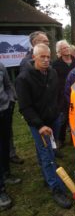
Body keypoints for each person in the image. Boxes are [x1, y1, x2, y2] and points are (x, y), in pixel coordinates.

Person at [15, 44, 72, 209]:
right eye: (42, 57)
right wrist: (39, 125)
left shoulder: (52, 73)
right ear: (34, 57)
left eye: (48, 57)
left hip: (53, 118)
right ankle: (56, 188)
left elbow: (56, 95)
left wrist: (58, 112)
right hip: (38, 123)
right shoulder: (24, 78)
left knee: (46, 151)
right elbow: (25, 107)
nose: (46, 60)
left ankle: (47, 177)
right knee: (48, 155)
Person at [0, 62, 21, 210]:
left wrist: (11, 100)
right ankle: (1, 191)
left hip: (4, 110)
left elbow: (8, 84)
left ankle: (6, 173)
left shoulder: (0, 65)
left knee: (4, 144)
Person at [52, 40, 75, 149]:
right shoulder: (55, 64)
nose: (66, 49)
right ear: (59, 51)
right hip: (62, 95)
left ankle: (74, 137)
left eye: (67, 47)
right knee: (63, 119)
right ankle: (60, 139)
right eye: (63, 48)